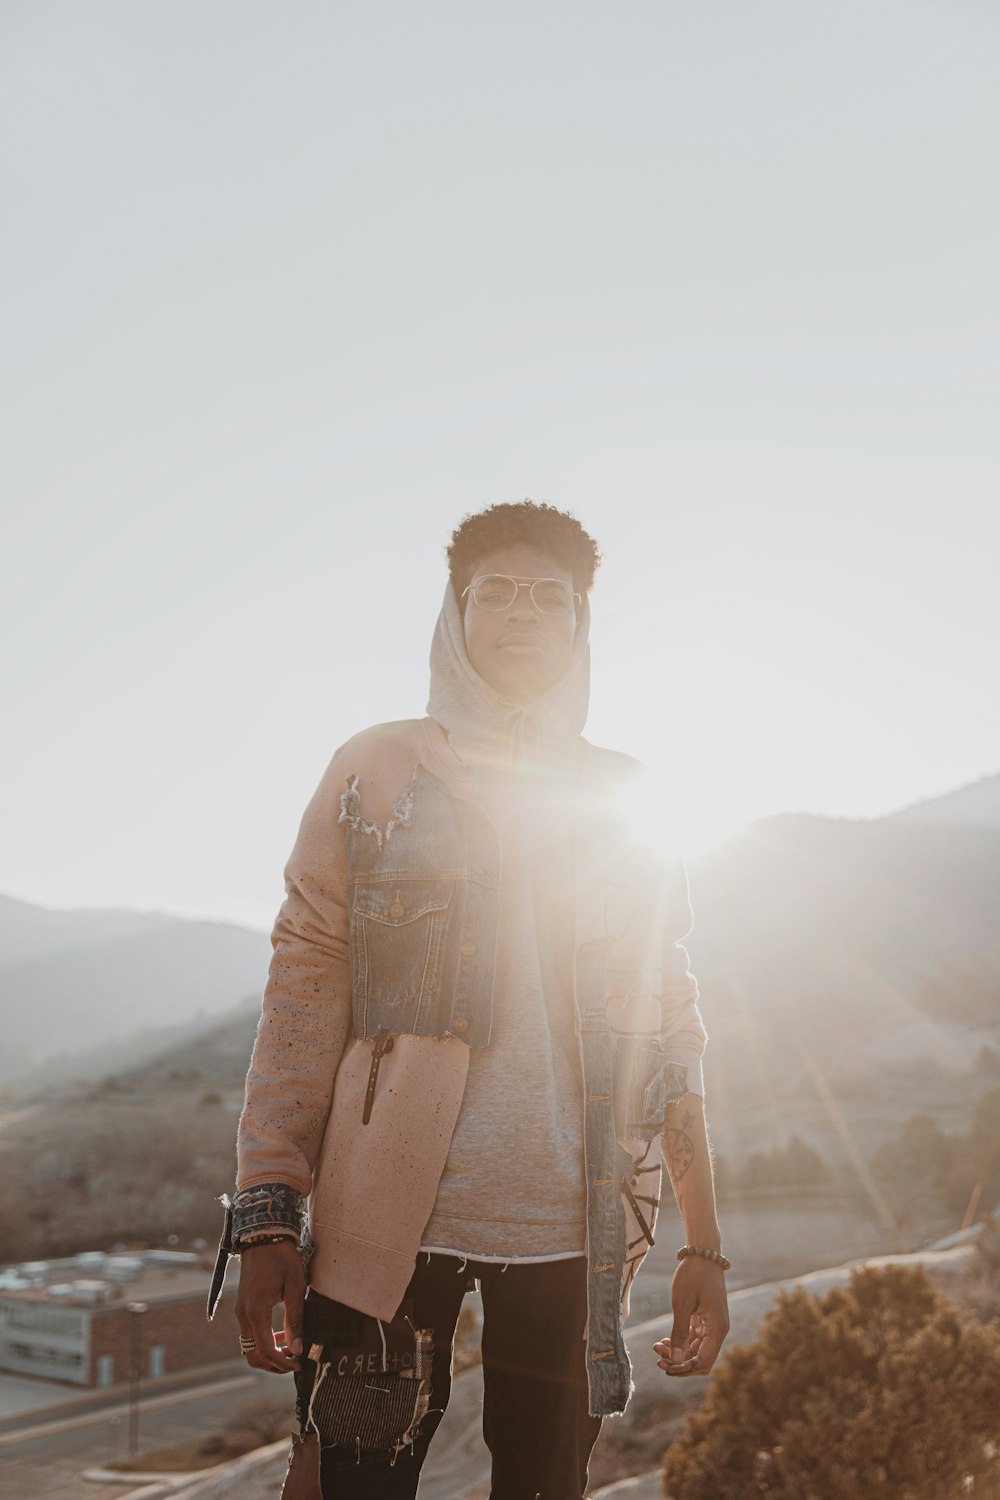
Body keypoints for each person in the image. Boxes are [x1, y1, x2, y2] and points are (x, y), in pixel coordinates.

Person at [208, 501, 730, 1500]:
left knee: (544, 1488)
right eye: (497, 591)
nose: (524, 613)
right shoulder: (378, 767)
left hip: (577, 1226)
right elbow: (306, 979)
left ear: (581, 624)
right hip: (385, 1228)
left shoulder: (626, 796)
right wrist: (267, 1210)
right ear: (455, 612)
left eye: (552, 597)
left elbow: (671, 1019)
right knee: (351, 1484)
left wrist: (704, 1236)